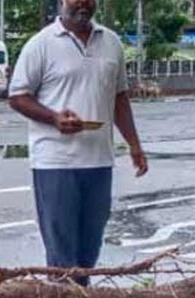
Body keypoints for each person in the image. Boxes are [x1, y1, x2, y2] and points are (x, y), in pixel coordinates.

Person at [8, 0, 147, 283]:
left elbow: (119, 97)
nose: (83, 4)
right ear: (61, 2)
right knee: (62, 254)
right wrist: (54, 118)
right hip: (55, 163)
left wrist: (134, 144)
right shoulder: (41, 44)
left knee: (89, 250)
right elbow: (18, 96)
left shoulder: (112, 42)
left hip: (99, 161)